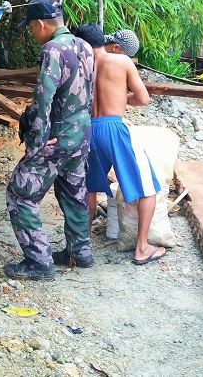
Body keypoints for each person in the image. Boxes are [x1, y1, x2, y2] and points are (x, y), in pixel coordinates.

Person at [4, 0, 95, 281]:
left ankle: (39, 262)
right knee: (74, 192)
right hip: (81, 133)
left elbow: (43, 98)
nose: (33, 33)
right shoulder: (85, 46)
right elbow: (88, 92)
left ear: (41, 23)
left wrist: (35, 143)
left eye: (32, 27)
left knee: (20, 193)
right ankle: (80, 253)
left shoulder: (52, 49)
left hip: (56, 137)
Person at [73, 23, 166, 265]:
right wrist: (120, 98)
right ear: (113, 46)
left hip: (88, 128)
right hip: (113, 127)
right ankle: (142, 248)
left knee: (89, 188)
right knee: (148, 188)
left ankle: (83, 246)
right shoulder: (121, 61)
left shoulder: (81, 64)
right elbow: (143, 98)